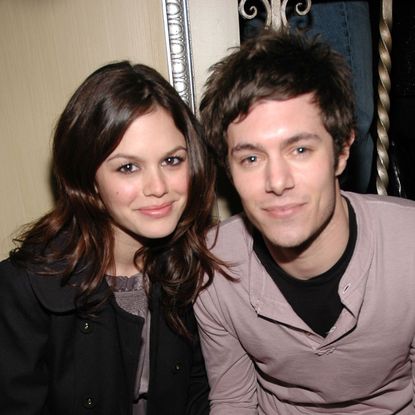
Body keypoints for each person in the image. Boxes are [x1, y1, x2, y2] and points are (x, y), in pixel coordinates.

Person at [195, 30, 415, 414]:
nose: (277, 182)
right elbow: (234, 400)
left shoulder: (409, 245)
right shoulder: (214, 265)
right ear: (228, 169)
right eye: (251, 158)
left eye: (299, 149)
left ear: (342, 151)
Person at [0, 61, 220, 414]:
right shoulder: (23, 288)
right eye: (128, 167)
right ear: (89, 180)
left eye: (172, 160)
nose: (158, 188)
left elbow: (200, 393)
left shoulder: (193, 265)